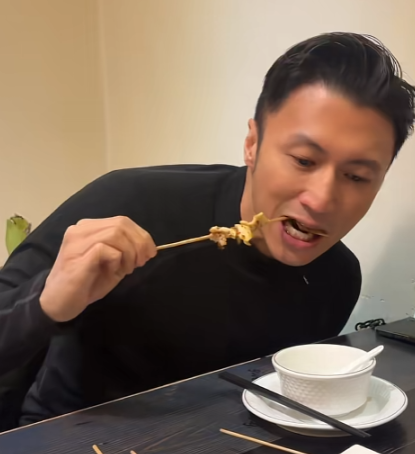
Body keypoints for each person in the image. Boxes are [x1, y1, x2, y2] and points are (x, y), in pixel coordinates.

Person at [0, 31, 414, 429]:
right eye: (304, 160)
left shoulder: (336, 278)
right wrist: (46, 303)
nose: (321, 200)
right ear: (252, 144)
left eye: (357, 177)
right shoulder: (129, 203)